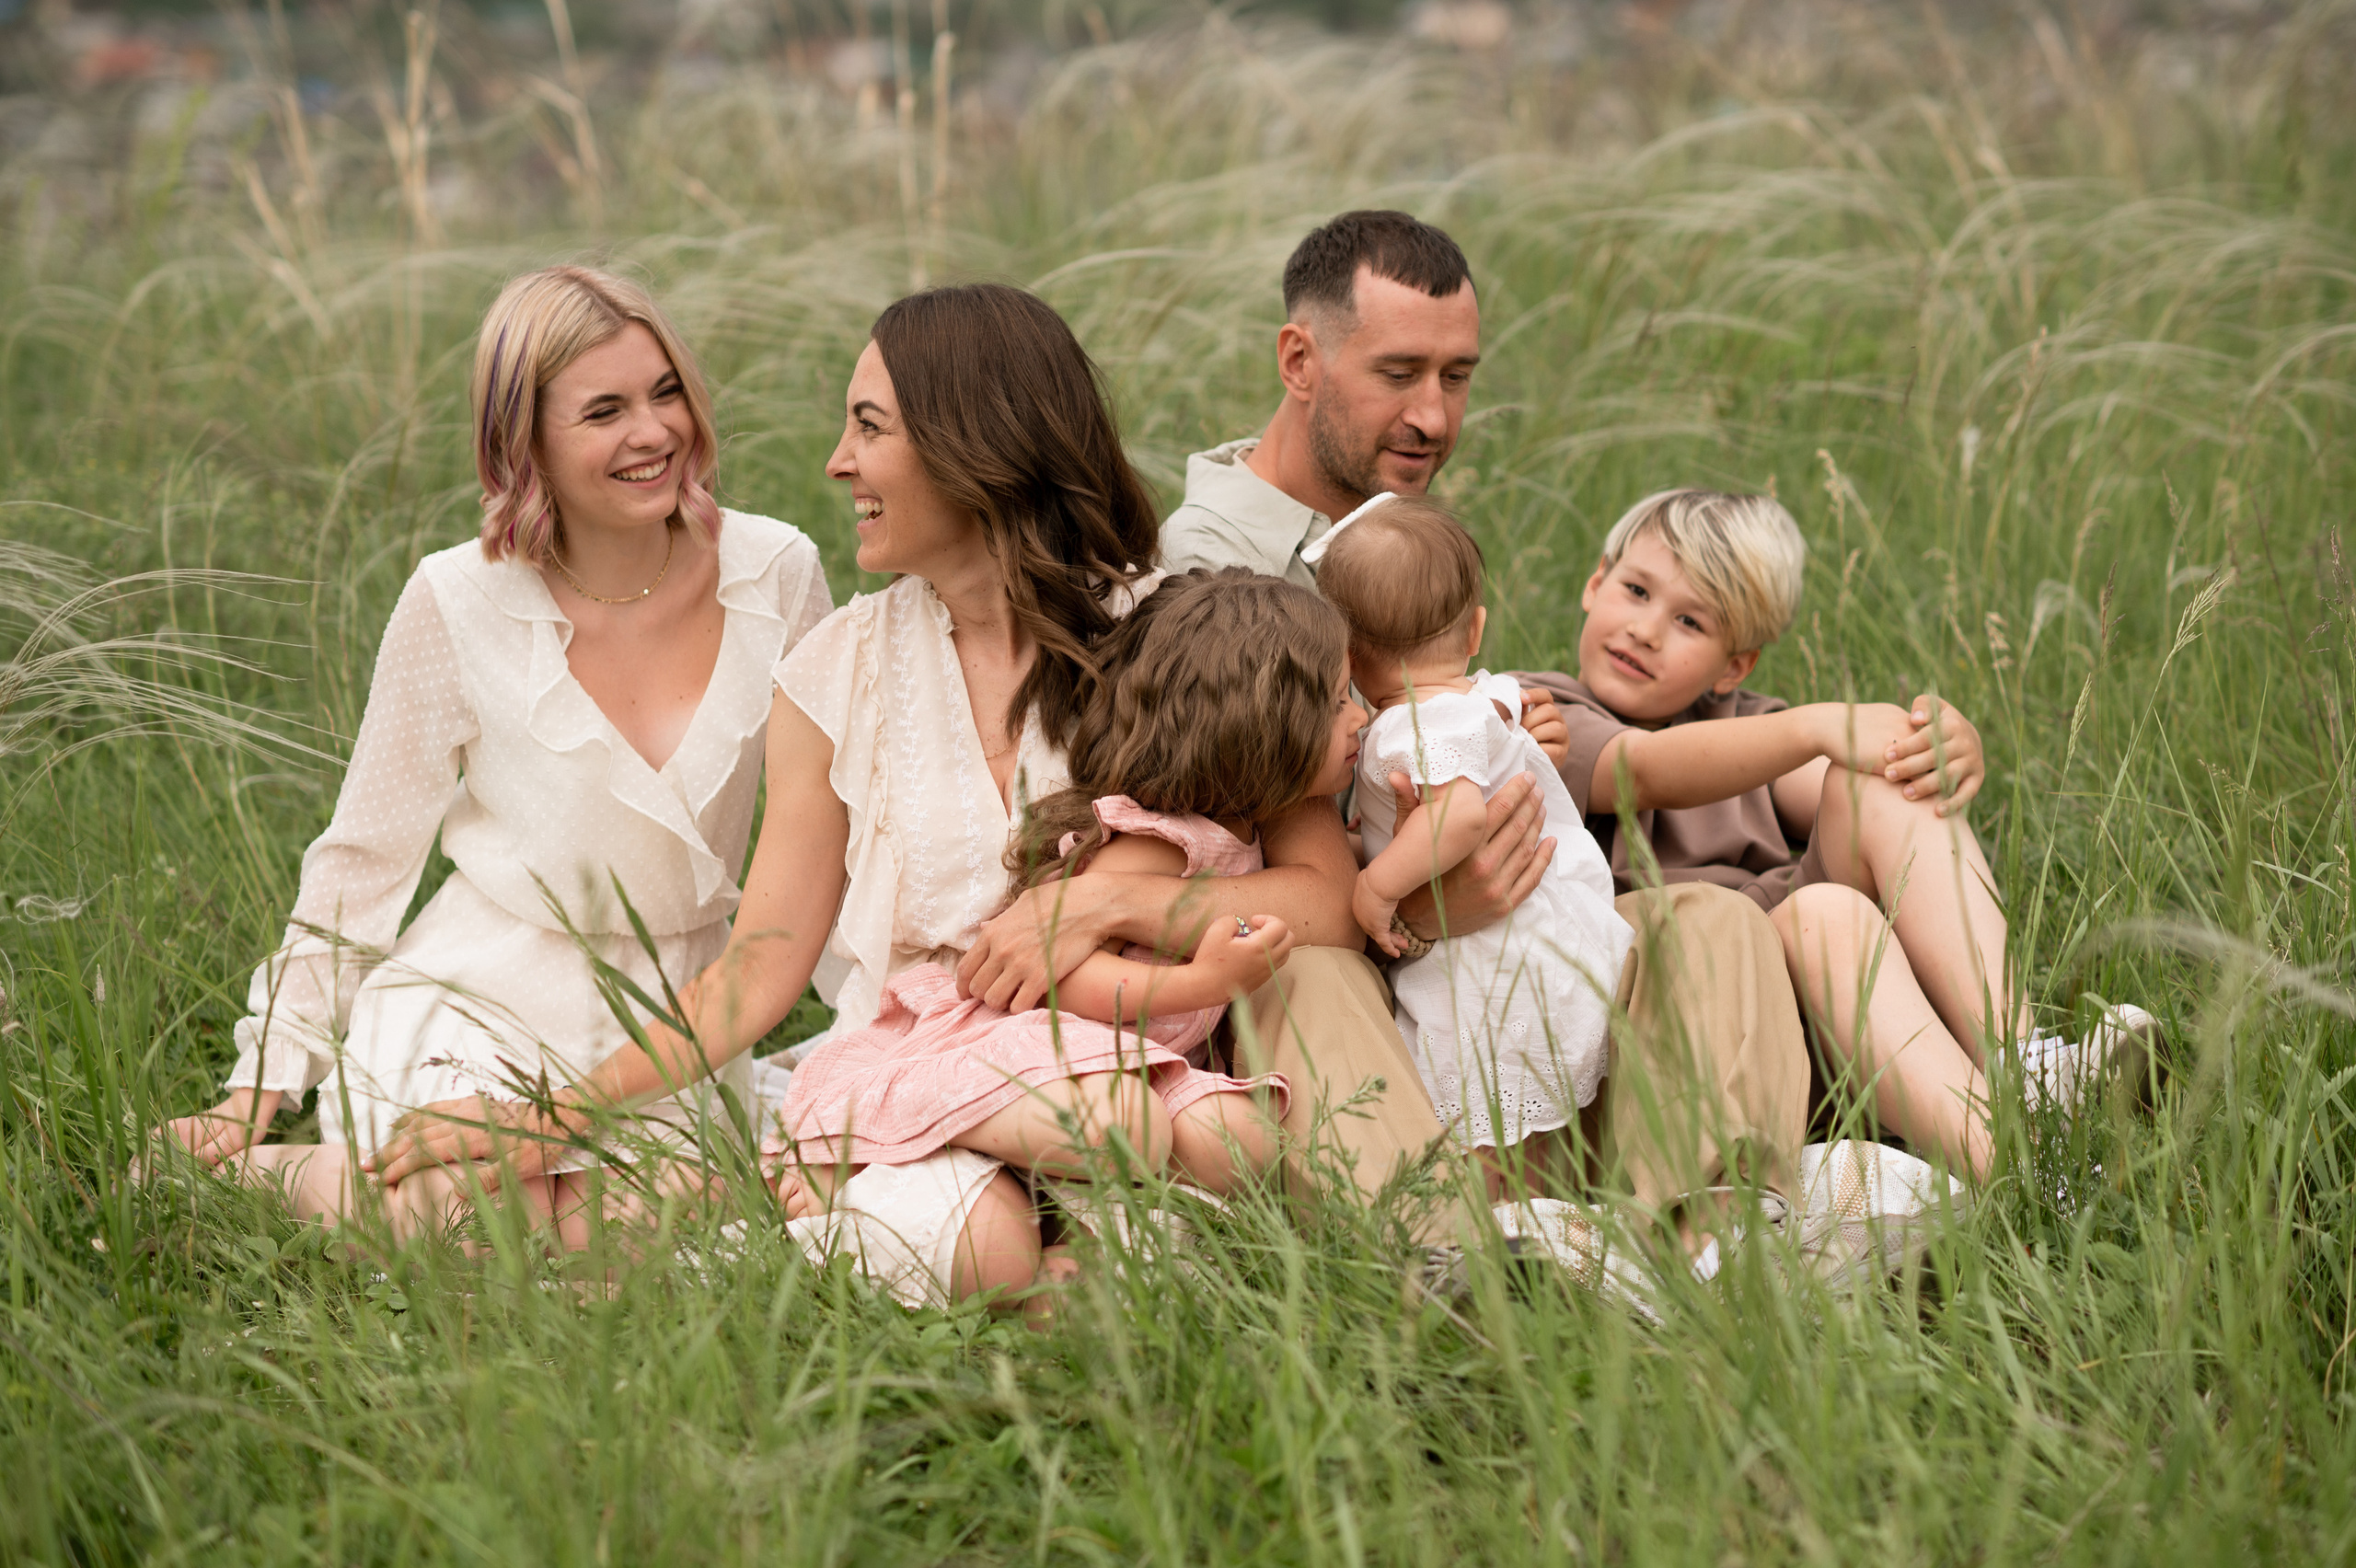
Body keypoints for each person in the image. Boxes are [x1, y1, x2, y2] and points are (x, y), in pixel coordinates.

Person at [369, 282, 1355, 1306]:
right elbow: (758, 971)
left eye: (870, 428)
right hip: (927, 1072)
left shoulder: (1180, 634)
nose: (838, 462)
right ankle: (846, 1210)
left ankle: (901, 1253)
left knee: (1181, 1200)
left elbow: (1325, 901)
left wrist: (1107, 904)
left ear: (978, 443)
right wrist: (554, 1117)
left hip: (1139, 1065)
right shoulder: (834, 672)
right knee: (985, 1248)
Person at [1146, 209, 1850, 1270]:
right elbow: (1251, 854)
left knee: (1709, 921)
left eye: (1458, 376)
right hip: (1371, 988)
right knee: (1289, 972)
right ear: (1300, 359)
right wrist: (1420, 905)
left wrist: (1517, 729)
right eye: (1399, 373)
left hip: (1507, 971)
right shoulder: (1207, 575)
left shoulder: (1394, 524)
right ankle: (1451, 1261)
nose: (1433, 414)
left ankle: (1707, 1239)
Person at [146, 265, 834, 1242]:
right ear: (526, 444)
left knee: (683, 1212)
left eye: (666, 391)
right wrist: (257, 1086)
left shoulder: (778, 572)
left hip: (680, 1009)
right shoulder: (456, 599)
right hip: (488, 986)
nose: (654, 432)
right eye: (604, 411)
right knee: (465, 1201)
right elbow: (365, 858)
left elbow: (844, 820)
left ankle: (361, 1197)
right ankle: (266, 1173)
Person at [1509, 488, 2158, 1183]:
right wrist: (1813, 725)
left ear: (1735, 665)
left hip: (1819, 1021)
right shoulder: (1538, 712)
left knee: (1882, 781)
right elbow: (1639, 771)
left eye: (1690, 622)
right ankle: (2022, 1168)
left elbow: (1857, 767)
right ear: (1594, 583)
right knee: (1825, 899)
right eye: (1635, 591)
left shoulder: (1747, 723)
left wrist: (1939, 748)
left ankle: (2020, 1063)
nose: (1645, 630)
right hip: (1680, 1024)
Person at [769, 571, 1373, 1309]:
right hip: (1046, 1047)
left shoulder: (1240, 838)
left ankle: (1063, 1238)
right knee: (1129, 1126)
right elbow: (1068, 981)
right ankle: (882, 1148)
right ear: (1267, 720)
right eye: (1340, 700)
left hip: (1135, 1063)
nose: (1362, 718)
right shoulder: (1156, 843)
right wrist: (1204, 982)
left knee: (1245, 1145)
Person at [1312, 492, 1633, 1174]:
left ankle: (1505, 1241)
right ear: (1476, 629)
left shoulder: (1413, 725)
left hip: (1492, 962)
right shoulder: (1481, 697)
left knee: (1484, 1136)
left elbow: (1458, 817)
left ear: (1346, 651)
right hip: (1540, 943)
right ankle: (1545, 1226)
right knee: (1529, 1137)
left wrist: (1376, 884)